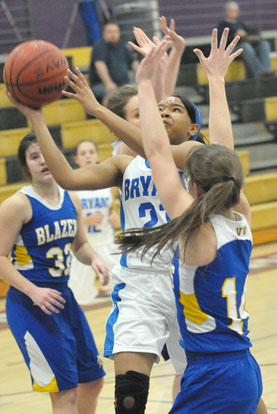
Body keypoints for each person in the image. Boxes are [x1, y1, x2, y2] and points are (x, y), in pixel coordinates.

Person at [7, 27, 253, 414]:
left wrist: (103, 107)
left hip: (184, 281)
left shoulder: (197, 160)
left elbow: (165, 146)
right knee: (128, 397)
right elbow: (70, 178)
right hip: (140, 280)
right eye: (158, 109)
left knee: (207, 383)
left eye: (174, 108)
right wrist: (37, 118)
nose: (162, 111)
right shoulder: (125, 162)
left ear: (193, 128)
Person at [117, 39, 264, 413]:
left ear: (193, 187)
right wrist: (216, 80)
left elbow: (155, 152)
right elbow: (225, 154)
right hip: (244, 365)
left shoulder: (195, 229)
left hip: (212, 373)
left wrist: (145, 84)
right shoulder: (241, 216)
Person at [0, 133, 108, 414]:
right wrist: (33, 291)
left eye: (46, 153)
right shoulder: (17, 205)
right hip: (31, 305)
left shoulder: (71, 198)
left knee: (94, 381)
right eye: (34, 157)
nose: (43, 160)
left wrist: (94, 258)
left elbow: (80, 244)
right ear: (26, 166)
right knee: (65, 392)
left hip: (64, 300)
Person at [68, 139, 120, 304]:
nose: (88, 156)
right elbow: (66, 219)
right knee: (77, 295)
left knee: (121, 286)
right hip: (83, 247)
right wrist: (84, 221)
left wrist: (115, 219)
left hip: (106, 244)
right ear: (76, 159)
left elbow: (113, 214)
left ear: (97, 156)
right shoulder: (70, 185)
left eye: (91, 152)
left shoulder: (107, 183)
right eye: (83, 153)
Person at [217, 1, 272, 78]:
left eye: (235, 11)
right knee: (245, 47)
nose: (234, 13)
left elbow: (247, 35)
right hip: (231, 50)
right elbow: (221, 43)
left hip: (245, 46)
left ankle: (266, 71)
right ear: (227, 11)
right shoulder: (222, 25)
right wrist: (235, 36)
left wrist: (250, 37)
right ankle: (259, 73)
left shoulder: (240, 23)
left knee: (264, 44)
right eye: (231, 10)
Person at [89, 20, 139, 104]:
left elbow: (134, 63)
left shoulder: (123, 46)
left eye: (115, 32)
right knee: (110, 92)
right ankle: (108, 116)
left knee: (141, 89)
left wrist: (143, 78)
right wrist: (108, 83)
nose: (113, 34)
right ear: (104, 34)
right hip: (101, 84)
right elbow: (100, 65)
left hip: (124, 83)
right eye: (110, 32)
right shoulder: (99, 47)